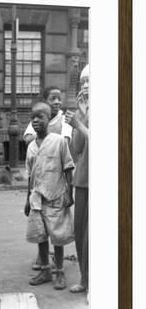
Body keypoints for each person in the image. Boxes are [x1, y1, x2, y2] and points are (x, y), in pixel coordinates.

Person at [24, 102, 75, 289]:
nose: (36, 120)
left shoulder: (59, 141)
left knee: (58, 236)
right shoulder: (30, 147)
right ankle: (45, 269)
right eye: (33, 117)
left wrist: (70, 194)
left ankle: (59, 271)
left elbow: (68, 168)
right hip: (37, 199)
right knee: (41, 235)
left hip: (56, 196)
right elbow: (30, 175)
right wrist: (27, 201)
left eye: (40, 116)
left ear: (49, 120)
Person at [65, 64, 89, 295]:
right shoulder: (86, 110)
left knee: (93, 235)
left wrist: (80, 124)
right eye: (83, 82)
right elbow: (77, 148)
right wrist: (81, 116)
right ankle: (84, 279)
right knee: (80, 232)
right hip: (82, 180)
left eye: (90, 81)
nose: (86, 86)